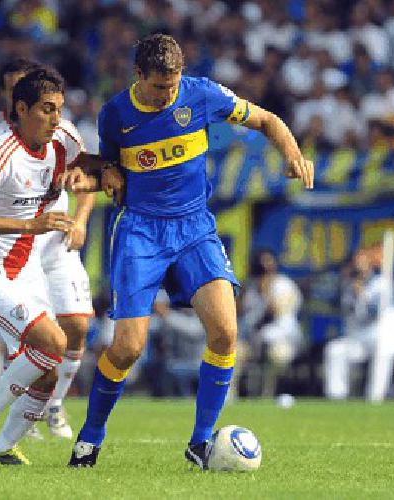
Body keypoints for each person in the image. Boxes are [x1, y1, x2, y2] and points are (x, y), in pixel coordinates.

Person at [58, 33, 314, 469]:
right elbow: (109, 163)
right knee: (127, 348)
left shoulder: (203, 94)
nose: (168, 95)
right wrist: (106, 173)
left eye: (173, 86)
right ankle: (89, 437)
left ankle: (200, 444)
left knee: (226, 333)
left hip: (195, 227)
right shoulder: (116, 113)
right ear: (139, 76)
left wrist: (293, 154)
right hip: (141, 230)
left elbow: (268, 120)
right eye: (159, 87)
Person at [0, 58, 98, 440]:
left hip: (26, 264)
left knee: (49, 363)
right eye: (47, 110)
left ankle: (4, 446)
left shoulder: (63, 138)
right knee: (51, 343)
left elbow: (90, 172)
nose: (56, 119)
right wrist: (31, 224)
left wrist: (87, 177)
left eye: (59, 110)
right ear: (20, 108)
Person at [324, 244, 394, 403]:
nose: (358, 264)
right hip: (361, 337)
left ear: (370, 263)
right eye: (356, 261)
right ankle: (336, 398)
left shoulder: (383, 283)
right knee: (335, 350)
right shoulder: (349, 286)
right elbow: (338, 306)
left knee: (383, 350)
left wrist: (360, 293)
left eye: (363, 260)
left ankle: (375, 399)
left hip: (384, 334)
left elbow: (373, 312)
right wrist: (347, 285)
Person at [238, 249, 304, 398]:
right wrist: (244, 290)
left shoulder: (284, 284)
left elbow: (277, 312)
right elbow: (240, 312)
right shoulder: (251, 287)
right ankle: (230, 398)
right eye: (262, 264)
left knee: (278, 354)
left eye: (269, 263)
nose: (266, 268)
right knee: (234, 353)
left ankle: (269, 395)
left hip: (284, 340)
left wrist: (266, 290)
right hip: (254, 339)